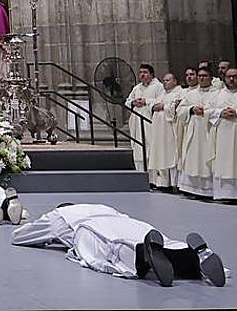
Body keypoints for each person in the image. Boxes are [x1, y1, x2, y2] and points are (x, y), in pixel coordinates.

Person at [12, 203, 225, 287]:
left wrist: (49, 238)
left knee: (109, 246)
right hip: (127, 221)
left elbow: (20, 236)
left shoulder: (59, 215)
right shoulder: (101, 205)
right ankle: (190, 255)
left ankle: (143, 257)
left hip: (88, 227)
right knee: (152, 237)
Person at [176, 63, 218, 198]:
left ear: (211, 78)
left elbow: (220, 109)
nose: (201, 78)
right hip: (193, 133)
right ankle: (192, 188)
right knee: (192, 158)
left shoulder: (217, 94)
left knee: (207, 157)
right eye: (200, 76)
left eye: (205, 76)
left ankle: (208, 190)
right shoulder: (190, 94)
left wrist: (206, 112)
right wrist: (191, 109)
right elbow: (180, 110)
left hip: (209, 132)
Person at [147, 72, 184, 190]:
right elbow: (153, 105)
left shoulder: (180, 92)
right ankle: (162, 183)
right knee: (160, 153)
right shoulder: (163, 93)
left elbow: (178, 107)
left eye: (168, 80)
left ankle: (173, 183)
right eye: (164, 80)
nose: (165, 82)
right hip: (159, 129)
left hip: (170, 129)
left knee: (170, 154)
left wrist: (164, 107)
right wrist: (153, 107)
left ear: (175, 81)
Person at [124, 63, 163, 173]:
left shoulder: (158, 86)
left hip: (149, 121)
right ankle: (140, 172)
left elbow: (162, 101)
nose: (142, 75)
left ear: (151, 74)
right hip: (137, 122)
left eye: (145, 72)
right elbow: (127, 102)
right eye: (141, 72)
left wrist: (146, 101)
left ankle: (152, 177)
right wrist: (133, 102)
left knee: (150, 147)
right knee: (138, 148)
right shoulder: (137, 88)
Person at [210, 66, 237, 201]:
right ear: (224, 78)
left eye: (235, 77)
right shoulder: (217, 94)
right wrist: (220, 113)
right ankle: (224, 194)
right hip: (222, 136)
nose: (232, 79)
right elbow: (208, 111)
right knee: (224, 161)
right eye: (229, 77)